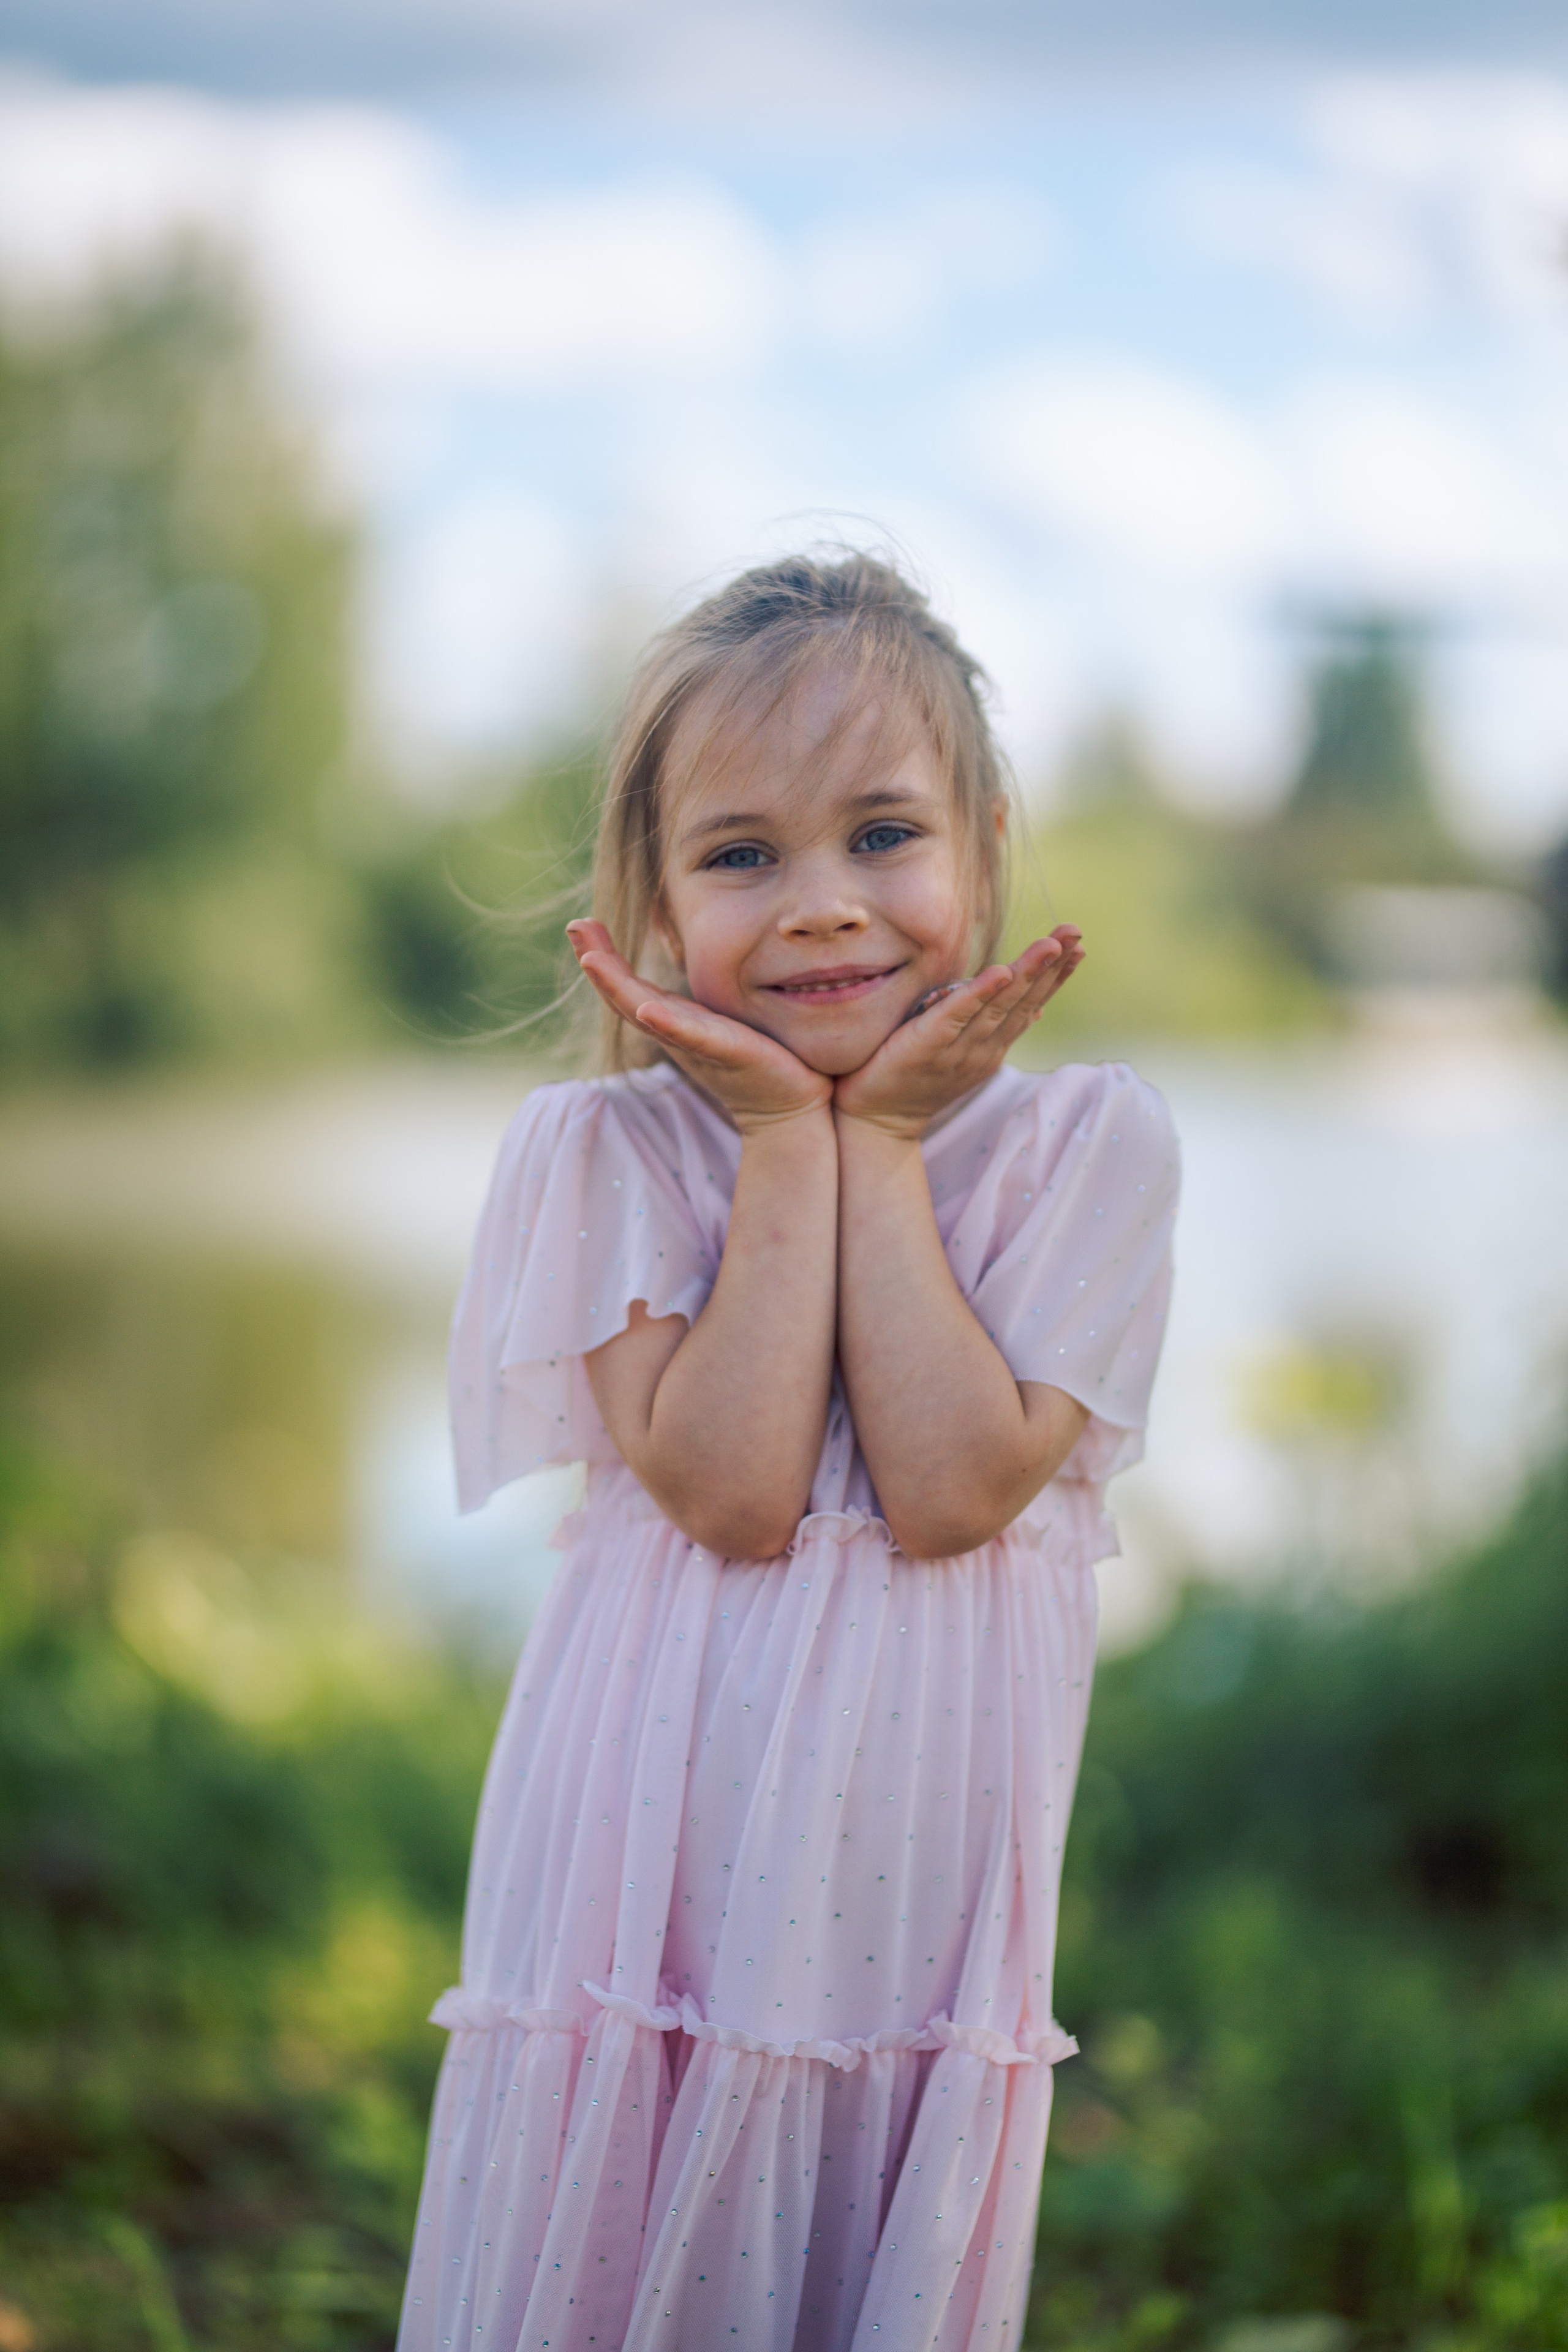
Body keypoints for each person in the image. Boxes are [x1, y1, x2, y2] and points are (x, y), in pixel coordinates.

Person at [399, 552, 1179, 2352]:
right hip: (647, 1873)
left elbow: (953, 1486)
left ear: (983, 848)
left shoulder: (1089, 1150)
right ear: (658, 912)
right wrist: (786, 1144)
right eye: (743, 855)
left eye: (884, 835)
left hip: (904, 1881)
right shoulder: (605, 1155)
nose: (824, 907)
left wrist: (885, 1153)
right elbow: (737, 1496)